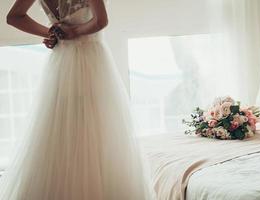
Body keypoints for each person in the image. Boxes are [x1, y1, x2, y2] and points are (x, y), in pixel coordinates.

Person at [0, 0, 152, 199]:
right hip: (91, 59)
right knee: (97, 129)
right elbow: (100, 21)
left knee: (61, 128)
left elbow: (14, 17)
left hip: (62, 62)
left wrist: (50, 32)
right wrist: (75, 31)